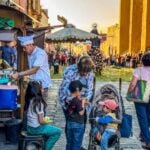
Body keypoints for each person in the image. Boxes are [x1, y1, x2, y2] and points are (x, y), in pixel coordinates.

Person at [10, 35, 51, 102]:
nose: (24, 50)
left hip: (42, 85)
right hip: (34, 83)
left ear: (30, 45)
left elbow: (34, 70)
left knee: (40, 108)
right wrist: (21, 75)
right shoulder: (30, 54)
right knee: (32, 106)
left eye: (24, 47)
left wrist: (19, 74)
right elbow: (30, 69)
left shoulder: (40, 53)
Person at [25, 80, 61, 150]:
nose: (43, 90)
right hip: (36, 129)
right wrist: (47, 121)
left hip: (29, 127)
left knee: (49, 130)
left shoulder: (30, 100)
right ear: (37, 91)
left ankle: (42, 145)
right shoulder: (39, 103)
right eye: (41, 88)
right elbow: (41, 121)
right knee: (58, 131)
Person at [127, 52, 150, 149]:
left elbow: (133, 84)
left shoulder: (138, 70)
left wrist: (128, 93)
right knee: (148, 117)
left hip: (140, 97)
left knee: (142, 118)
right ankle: (143, 135)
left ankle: (148, 141)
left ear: (142, 61)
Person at [66, 80, 89, 150]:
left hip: (69, 123)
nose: (81, 93)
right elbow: (81, 113)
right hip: (78, 125)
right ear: (77, 90)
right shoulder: (77, 101)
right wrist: (83, 104)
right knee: (76, 144)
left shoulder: (68, 98)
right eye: (81, 91)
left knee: (69, 142)